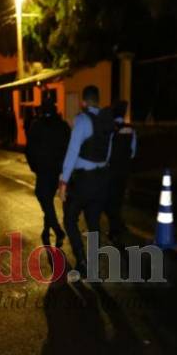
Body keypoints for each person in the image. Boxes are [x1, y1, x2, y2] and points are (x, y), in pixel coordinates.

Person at [58, 85, 115, 278]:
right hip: (102, 179)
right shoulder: (107, 121)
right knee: (93, 223)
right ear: (98, 100)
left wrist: (64, 182)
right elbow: (108, 154)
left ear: (83, 102)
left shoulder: (82, 120)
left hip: (85, 181)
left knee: (69, 219)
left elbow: (72, 152)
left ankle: (82, 262)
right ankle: (93, 266)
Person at [25, 96, 71, 247]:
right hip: (57, 170)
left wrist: (34, 167)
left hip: (43, 170)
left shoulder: (37, 126)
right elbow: (68, 147)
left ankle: (57, 229)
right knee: (48, 199)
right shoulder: (63, 126)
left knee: (42, 197)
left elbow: (29, 149)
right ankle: (46, 229)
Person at [104, 100, 137, 246]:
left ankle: (114, 231)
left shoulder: (113, 129)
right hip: (125, 170)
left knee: (110, 201)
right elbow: (133, 152)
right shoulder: (131, 130)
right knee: (118, 199)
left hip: (112, 170)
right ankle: (119, 225)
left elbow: (108, 153)